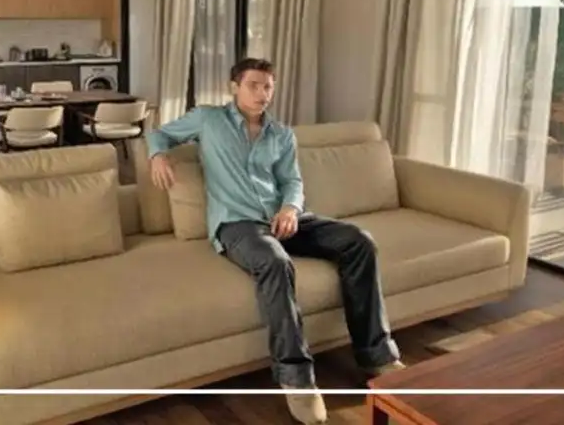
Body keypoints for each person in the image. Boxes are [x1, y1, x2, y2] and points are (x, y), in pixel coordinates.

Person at [145, 57, 403, 425]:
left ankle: (377, 356)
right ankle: (297, 380)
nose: (262, 93)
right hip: (238, 224)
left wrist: (290, 209)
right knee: (276, 262)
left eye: (268, 86)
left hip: (285, 218)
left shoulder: (281, 134)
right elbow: (159, 133)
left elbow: (292, 181)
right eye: (253, 85)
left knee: (359, 241)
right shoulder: (208, 119)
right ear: (234, 87)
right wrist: (158, 155)